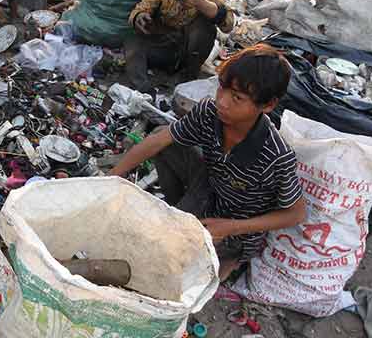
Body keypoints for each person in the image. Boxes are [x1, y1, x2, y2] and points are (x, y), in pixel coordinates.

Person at [110, 44, 306, 281]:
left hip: (234, 226)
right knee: (165, 135)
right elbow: (161, 139)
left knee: (160, 262)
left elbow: (295, 214)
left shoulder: (276, 157)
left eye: (237, 98)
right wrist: (110, 178)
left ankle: (229, 260)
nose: (222, 101)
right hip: (208, 186)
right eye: (222, 88)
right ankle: (178, 210)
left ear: (268, 105)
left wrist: (231, 227)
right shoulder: (209, 112)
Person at [125, 0, 234, 97]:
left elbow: (228, 25)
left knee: (205, 26)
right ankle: (144, 91)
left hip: (189, 54)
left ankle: (187, 78)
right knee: (131, 39)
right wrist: (140, 17)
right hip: (163, 47)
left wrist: (200, 2)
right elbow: (143, 6)